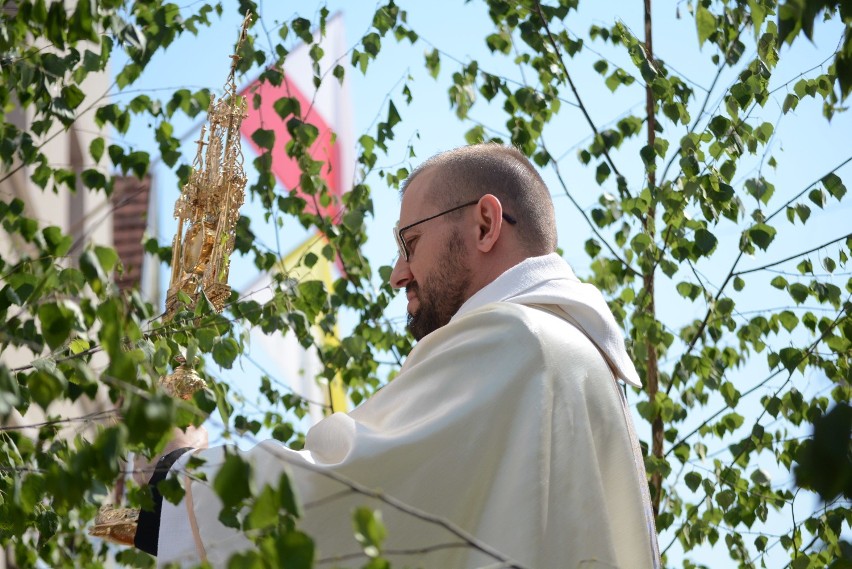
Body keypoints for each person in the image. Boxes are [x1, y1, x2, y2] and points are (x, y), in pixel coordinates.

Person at [138, 144, 661, 568]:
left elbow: (349, 490)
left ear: (484, 224)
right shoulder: (580, 364)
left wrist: (180, 479)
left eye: (410, 243)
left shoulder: (517, 339)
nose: (397, 273)